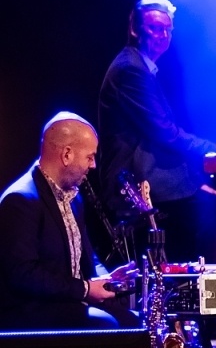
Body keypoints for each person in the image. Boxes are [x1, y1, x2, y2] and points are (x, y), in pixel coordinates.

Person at [98, 0, 216, 263]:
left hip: (152, 172)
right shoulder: (130, 69)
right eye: (154, 28)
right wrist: (213, 149)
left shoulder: (140, 66)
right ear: (135, 30)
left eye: (167, 29)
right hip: (134, 179)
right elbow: (164, 132)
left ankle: (195, 285)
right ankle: (205, 291)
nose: (162, 35)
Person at [0, 113, 137, 329]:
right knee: (108, 326)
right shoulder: (20, 200)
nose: (93, 165)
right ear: (67, 155)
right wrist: (84, 289)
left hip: (65, 301)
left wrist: (107, 280)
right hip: (31, 310)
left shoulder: (73, 197)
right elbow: (23, 274)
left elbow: (87, 255)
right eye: (90, 157)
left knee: (137, 322)